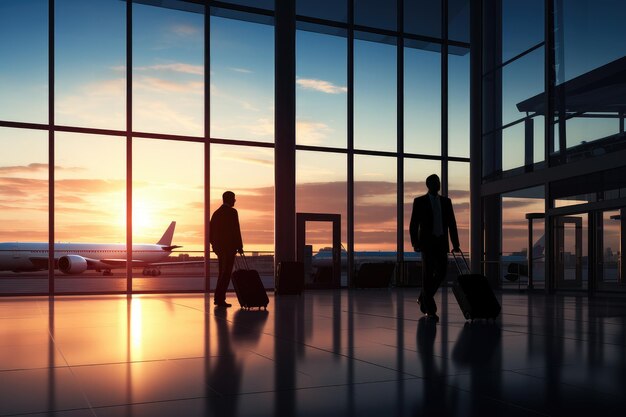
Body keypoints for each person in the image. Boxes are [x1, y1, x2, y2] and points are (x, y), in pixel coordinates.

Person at [409, 174, 460, 322]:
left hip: (441, 243)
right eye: (435, 182)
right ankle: (430, 310)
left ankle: (423, 297)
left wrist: (455, 243)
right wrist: (415, 243)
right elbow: (414, 224)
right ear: (428, 185)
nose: (438, 184)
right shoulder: (419, 201)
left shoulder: (446, 202)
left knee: (442, 272)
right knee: (428, 274)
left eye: (438, 182)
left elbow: (452, 223)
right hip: (427, 244)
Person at [210, 191, 244, 308]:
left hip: (220, 248)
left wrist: (214, 246)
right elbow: (236, 230)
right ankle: (219, 298)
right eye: (234, 199)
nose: (235, 201)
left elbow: (210, 232)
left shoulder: (216, 213)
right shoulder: (232, 212)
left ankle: (218, 298)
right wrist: (239, 246)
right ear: (229, 199)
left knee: (222, 272)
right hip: (229, 248)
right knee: (226, 273)